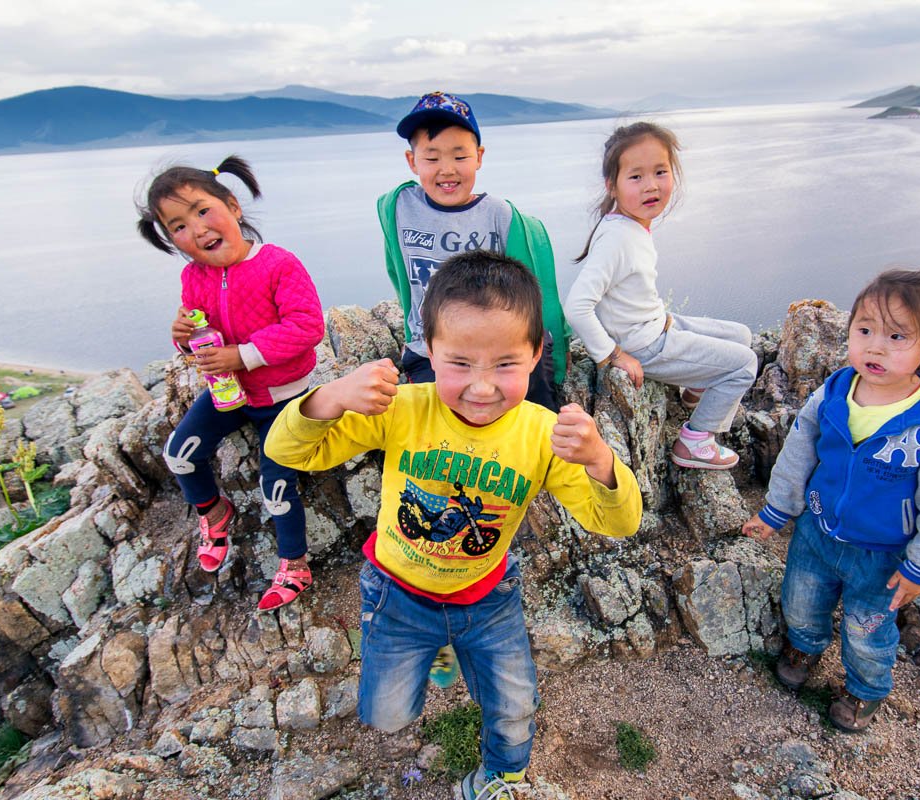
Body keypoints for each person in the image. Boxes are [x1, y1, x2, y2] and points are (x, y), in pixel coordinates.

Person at [265, 251, 642, 799]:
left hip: (488, 597)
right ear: (428, 350)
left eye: (505, 364)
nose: (482, 387)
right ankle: (438, 651)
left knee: (515, 708)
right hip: (396, 594)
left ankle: (500, 778)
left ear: (536, 354)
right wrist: (330, 397)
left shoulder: (543, 434)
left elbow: (618, 522)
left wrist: (601, 461)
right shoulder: (403, 409)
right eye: (460, 363)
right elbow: (289, 452)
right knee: (387, 715)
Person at [742, 268, 920, 732]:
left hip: (882, 554)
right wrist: (777, 510)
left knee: (867, 629)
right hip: (816, 533)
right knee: (801, 601)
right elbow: (798, 452)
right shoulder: (834, 394)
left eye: (897, 336)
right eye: (865, 330)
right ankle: (805, 647)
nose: (876, 347)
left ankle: (865, 690)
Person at [136, 155, 325, 611]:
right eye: (179, 226)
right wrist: (183, 338)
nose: (197, 229)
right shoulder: (193, 277)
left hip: (282, 396)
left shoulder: (278, 264)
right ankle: (214, 511)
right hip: (228, 393)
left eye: (203, 211)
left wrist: (242, 354)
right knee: (179, 454)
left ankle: (295, 563)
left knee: (275, 486)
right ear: (171, 240)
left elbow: (307, 326)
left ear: (233, 206)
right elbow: (201, 336)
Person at [564, 122, 757, 469]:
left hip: (657, 324)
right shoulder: (618, 239)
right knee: (745, 364)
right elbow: (577, 307)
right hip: (646, 345)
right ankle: (695, 441)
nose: (651, 185)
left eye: (660, 171)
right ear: (612, 185)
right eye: (636, 176)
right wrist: (613, 355)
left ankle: (695, 389)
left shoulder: (629, 225)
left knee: (742, 335)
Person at [378, 90, 571, 411]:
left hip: (500, 345)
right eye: (432, 158)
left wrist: (555, 351)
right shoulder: (399, 208)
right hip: (435, 349)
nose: (447, 169)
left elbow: (533, 293)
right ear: (412, 161)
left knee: (533, 412)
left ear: (479, 156)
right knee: (436, 416)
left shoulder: (499, 216)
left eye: (460, 156)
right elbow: (398, 272)